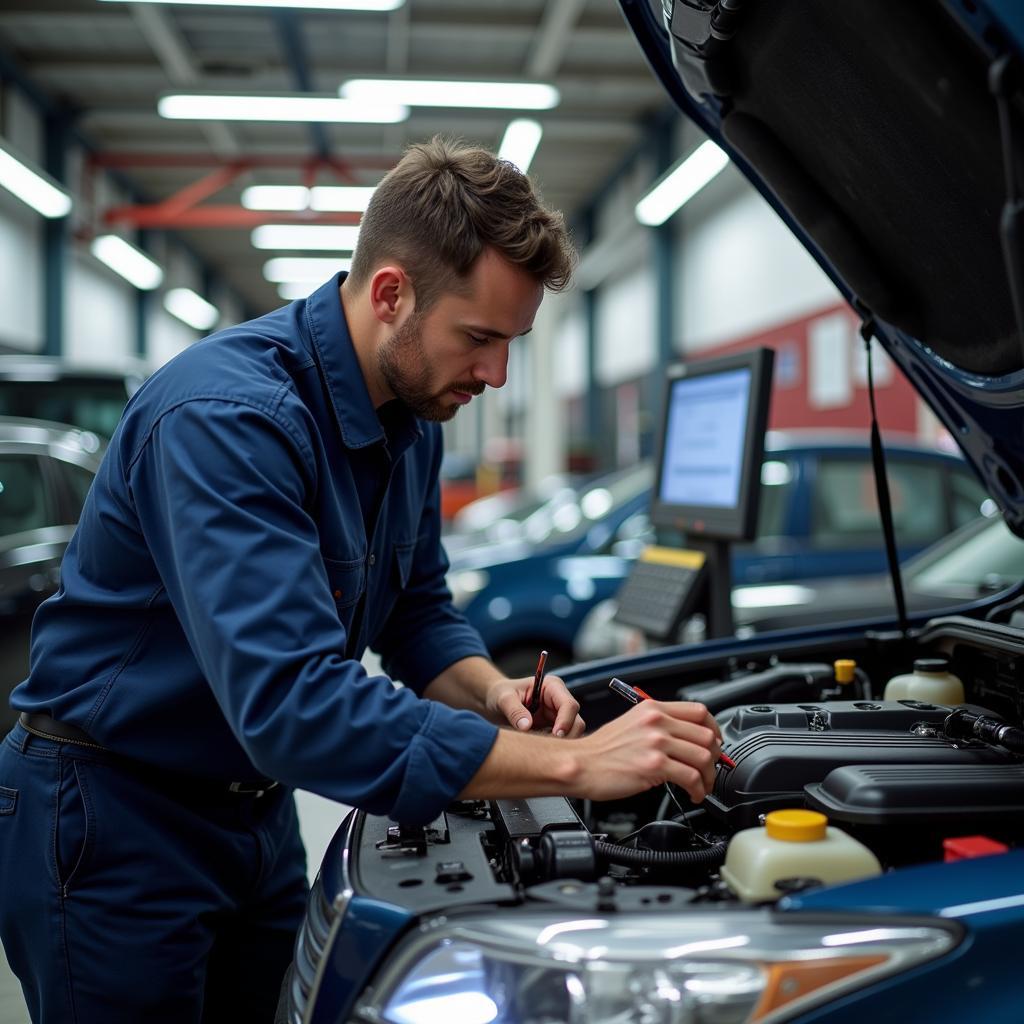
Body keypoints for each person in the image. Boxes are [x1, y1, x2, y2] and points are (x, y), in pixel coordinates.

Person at [0, 137, 722, 1022]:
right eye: (481, 338)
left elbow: (416, 613)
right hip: (113, 820)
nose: (496, 375)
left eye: (513, 343)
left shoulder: (413, 420)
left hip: (251, 818)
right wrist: (572, 765)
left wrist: (493, 692)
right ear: (391, 294)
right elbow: (295, 702)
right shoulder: (229, 421)